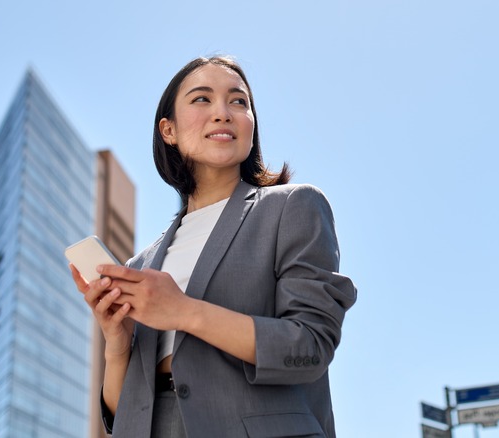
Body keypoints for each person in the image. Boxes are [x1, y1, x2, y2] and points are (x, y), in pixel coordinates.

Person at [69, 55, 357, 438]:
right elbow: (124, 415)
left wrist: (184, 311)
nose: (223, 112)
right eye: (202, 99)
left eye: (238, 101)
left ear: (251, 126)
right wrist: (118, 343)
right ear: (168, 130)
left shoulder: (292, 207)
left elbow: (310, 345)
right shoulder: (141, 263)